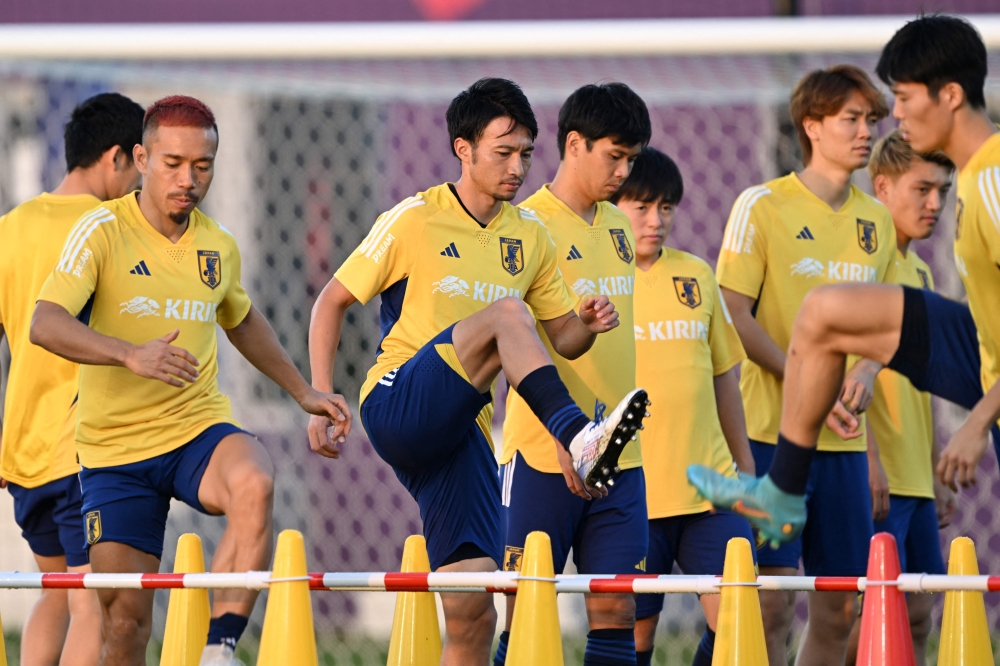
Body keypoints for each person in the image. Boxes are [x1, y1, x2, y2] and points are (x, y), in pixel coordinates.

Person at [307, 77, 649, 666]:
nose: (517, 167)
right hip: (398, 399)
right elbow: (330, 301)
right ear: (463, 150)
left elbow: (558, 340)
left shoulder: (530, 235)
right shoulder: (415, 217)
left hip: (459, 435)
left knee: (473, 609)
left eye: (525, 154)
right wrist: (319, 395)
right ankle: (579, 437)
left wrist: (586, 322)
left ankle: (579, 440)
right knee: (507, 315)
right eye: (502, 152)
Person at [30, 95, 350, 666]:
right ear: (142, 158)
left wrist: (304, 393)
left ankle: (219, 649)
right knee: (124, 624)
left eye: (202, 166)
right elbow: (45, 323)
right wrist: (128, 355)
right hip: (115, 454)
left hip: (195, 431)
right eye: (174, 163)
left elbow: (242, 319)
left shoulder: (217, 244)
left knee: (254, 483)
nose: (188, 179)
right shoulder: (100, 231)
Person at [689, 15, 1000, 558]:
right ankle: (779, 494)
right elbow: (736, 309)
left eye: (901, 98)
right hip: (982, 355)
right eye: (862, 114)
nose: (891, 117)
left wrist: (975, 424)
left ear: (950, 95)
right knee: (825, 312)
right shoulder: (973, 181)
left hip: (986, 383)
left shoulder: (993, 179)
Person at [693, 65, 896, 666]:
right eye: (851, 120)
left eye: (870, 121)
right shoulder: (761, 206)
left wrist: (861, 374)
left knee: (843, 605)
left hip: (844, 446)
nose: (866, 133)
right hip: (770, 436)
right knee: (770, 602)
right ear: (811, 126)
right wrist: (808, 377)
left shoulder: (877, 222)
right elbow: (731, 311)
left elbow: (886, 327)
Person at [496, 83, 652, 666]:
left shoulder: (617, 226)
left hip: (621, 456)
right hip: (542, 454)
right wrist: (567, 439)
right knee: (526, 610)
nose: (624, 170)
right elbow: (514, 345)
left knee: (616, 612)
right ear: (574, 144)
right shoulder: (525, 225)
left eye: (631, 159)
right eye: (615, 156)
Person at [0, 92, 143, 666]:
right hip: (80, 449)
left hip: (24, 450)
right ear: (114, 158)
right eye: (141, 163)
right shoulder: (109, 227)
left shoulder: (12, 226)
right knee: (93, 606)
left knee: (55, 597)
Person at [609, 147, 756, 666]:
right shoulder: (600, 278)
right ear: (614, 203)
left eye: (666, 207)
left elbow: (723, 378)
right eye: (642, 206)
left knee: (737, 619)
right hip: (634, 492)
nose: (656, 220)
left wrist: (745, 465)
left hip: (709, 487)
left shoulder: (697, 275)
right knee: (635, 634)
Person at [842, 131, 956, 666]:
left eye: (942, 191)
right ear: (882, 187)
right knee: (860, 615)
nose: (934, 204)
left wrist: (934, 466)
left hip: (916, 476)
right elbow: (844, 370)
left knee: (919, 613)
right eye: (923, 190)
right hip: (879, 475)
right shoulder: (867, 268)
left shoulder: (924, 272)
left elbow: (925, 382)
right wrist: (868, 458)